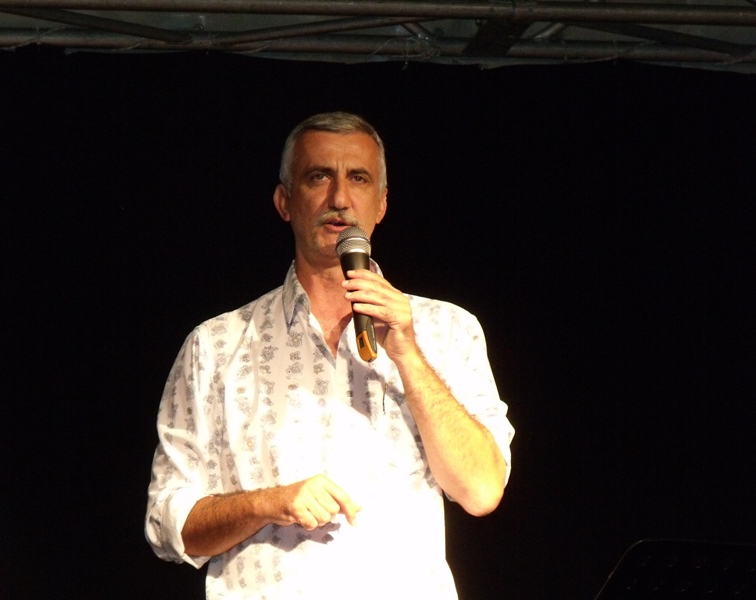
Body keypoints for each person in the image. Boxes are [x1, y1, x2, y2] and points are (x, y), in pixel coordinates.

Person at [145, 111, 515, 599]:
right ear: (285, 202)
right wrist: (266, 504)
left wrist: (407, 352)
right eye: (319, 177)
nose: (339, 198)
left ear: (382, 203)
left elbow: (482, 490)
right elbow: (167, 522)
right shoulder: (213, 346)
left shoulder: (447, 330)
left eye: (358, 178)